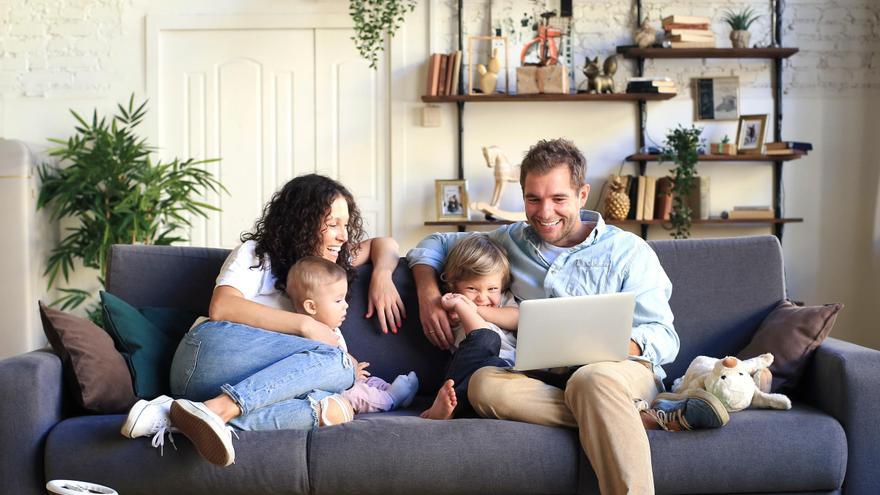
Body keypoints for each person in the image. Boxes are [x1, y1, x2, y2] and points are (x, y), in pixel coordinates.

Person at [407, 138, 729, 494]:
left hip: (617, 373)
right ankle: (636, 417)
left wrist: (614, 344)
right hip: (537, 378)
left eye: (558, 199)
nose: (544, 212)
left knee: (591, 380)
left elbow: (665, 337)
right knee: (483, 384)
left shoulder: (628, 251)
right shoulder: (508, 240)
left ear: (582, 194)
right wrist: (427, 293)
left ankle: (615, 408)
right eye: (533, 199)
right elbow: (434, 244)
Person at [120, 174, 406, 467]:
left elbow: (383, 243)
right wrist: (306, 326)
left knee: (336, 408)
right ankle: (219, 409)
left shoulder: (328, 265)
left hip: (238, 389)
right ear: (302, 223)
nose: (344, 236)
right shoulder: (257, 255)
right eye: (333, 225)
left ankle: (178, 416)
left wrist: (382, 276)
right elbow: (222, 306)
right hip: (207, 357)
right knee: (340, 363)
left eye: (346, 225)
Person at [285, 256, 419, 414]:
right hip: (330, 390)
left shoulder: (331, 328)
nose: (346, 305)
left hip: (345, 378)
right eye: (338, 301)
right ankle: (391, 399)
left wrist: (353, 368)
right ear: (311, 307)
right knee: (357, 394)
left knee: (370, 382)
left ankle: (397, 392)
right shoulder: (307, 336)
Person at [416, 234, 519, 420]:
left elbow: (517, 318)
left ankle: (458, 410)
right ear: (453, 285)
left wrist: (474, 308)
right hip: (471, 373)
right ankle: (446, 410)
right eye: (472, 289)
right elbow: (481, 335)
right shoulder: (452, 306)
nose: (483, 297)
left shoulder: (503, 300)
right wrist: (463, 308)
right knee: (487, 342)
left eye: (492, 289)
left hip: (508, 374)